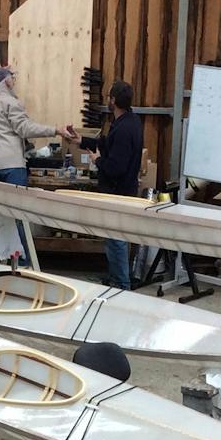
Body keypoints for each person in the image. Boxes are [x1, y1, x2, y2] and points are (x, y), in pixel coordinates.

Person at [77, 79, 143, 289]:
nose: (108, 100)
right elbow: (106, 144)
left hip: (118, 192)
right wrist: (81, 140)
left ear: (113, 100)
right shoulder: (126, 122)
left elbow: (116, 167)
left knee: (116, 240)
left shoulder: (124, 129)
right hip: (119, 191)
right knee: (113, 238)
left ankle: (122, 284)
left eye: (109, 97)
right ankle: (117, 279)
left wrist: (97, 161)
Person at [0, 66, 75, 189]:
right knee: (17, 205)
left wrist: (0, 73)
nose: (14, 82)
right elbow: (25, 128)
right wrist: (56, 130)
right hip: (11, 165)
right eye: (12, 79)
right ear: (7, 82)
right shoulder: (11, 102)